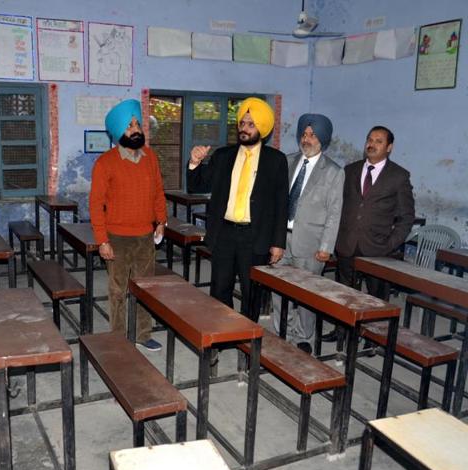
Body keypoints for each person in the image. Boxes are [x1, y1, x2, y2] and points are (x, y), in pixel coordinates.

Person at [187, 97, 288, 315]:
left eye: (251, 125)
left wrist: (278, 242)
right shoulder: (223, 156)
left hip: (256, 236)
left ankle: (248, 341)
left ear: (262, 128)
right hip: (224, 232)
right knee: (220, 288)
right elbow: (196, 186)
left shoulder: (276, 160)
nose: (244, 128)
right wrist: (194, 163)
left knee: (252, 292)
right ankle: (223, 335)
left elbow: (282, 204)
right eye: (242, 123)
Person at [89, 99, 167, 351]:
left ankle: (143, 334)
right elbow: (95, 204)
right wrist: (102, 240)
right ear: (117, 132)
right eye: (128, 126)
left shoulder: (150, 157)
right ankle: (118, 339)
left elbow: (158, 192)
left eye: (137, 124)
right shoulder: (105, 163)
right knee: (118, 291)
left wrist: (161, 221)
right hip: (117, 238)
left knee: (146, 289)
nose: (135, 130)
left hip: (145, 236)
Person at [271, 114, 344, 354]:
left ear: (323, 139)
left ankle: (303, 336)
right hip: (283, 239)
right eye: (304, 134)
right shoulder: (287, 161)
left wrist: (326, 246)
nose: (307, 139)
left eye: (312, 135)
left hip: (311, 244)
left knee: (307, 295)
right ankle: (282, 331)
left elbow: (334, 212)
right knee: (278, 289)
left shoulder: (333, 172)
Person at [335, 125, 415, 300]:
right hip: (346, 245)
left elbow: (406, 218)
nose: (372, 144)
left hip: (378, 248)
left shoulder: (398, 176)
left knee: (376, 301)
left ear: (389, 148)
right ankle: (342, 329)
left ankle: (373, 327)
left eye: (378, 141)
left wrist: (389, 244)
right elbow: (338, 205)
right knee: (342, 297)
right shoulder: (350, 170)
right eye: (369, 140)